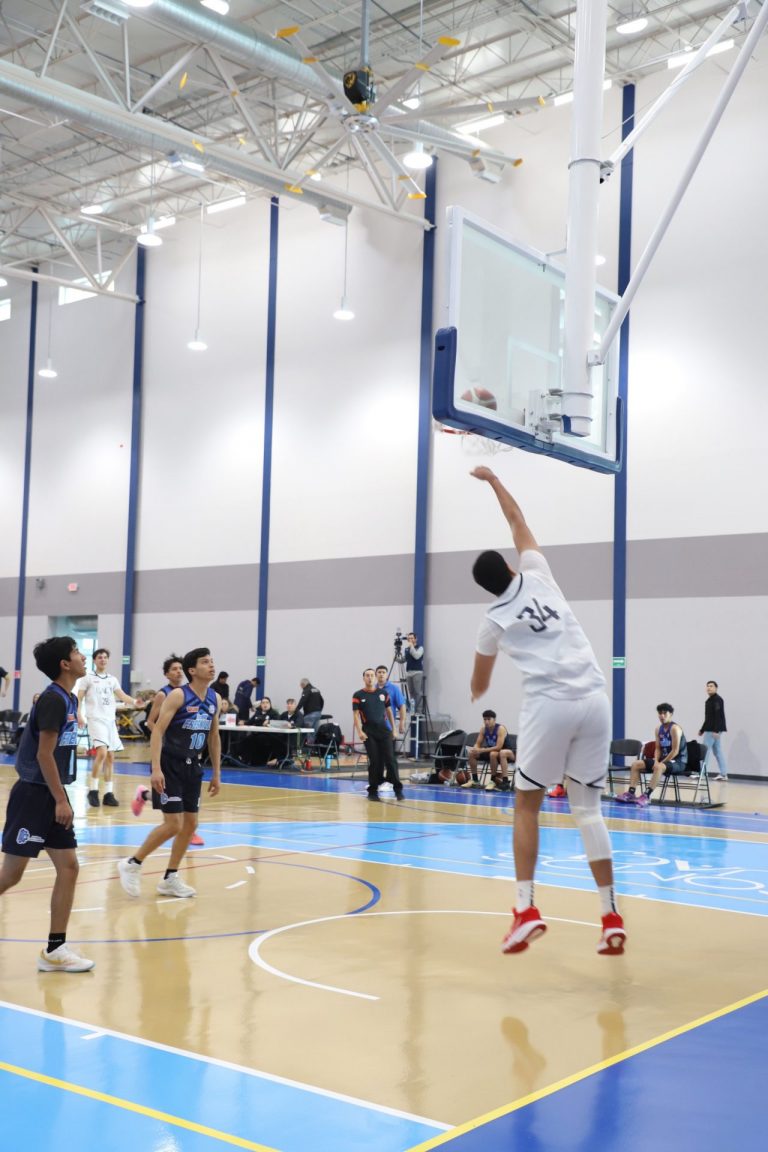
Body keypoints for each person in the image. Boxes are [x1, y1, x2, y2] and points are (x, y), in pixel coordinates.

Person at [470, 465, 625, 956]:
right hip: (595, 699)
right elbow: (517, 520)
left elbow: (480, 682)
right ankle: (611, 917)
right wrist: (495, 481)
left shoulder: (493, 618)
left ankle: (525, 910)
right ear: (510, 566)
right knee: (588, 811)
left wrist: (476, 688)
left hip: (551, 704)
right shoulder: (539, 573)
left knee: (525, 805)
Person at [0, 636, 95, 971]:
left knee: (69, 867)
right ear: (65, 664)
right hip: (34, 795)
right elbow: (43, 754)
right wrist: (60, 799)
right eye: (77, 652)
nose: (83, 656)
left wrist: (61, 797)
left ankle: (55, 950)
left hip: (53, 794)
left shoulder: (67, 698)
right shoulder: (53, 699)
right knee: (11, 875)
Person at [117, 647, 221, 899]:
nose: (211, 665)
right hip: (170, 764)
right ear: (192, 670)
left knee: (191, 824)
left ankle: (170, 878)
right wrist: (156, 769)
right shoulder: (178, 695)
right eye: (205, 662)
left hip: (193, 766)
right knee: (174, 824)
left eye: (212, 661)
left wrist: (217, 773)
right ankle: (132, 863)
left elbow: (214, 736)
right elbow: (157, 730)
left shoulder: (215, 699)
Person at [134, 655, 204, 845]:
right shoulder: (163, 694)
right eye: (174, 669)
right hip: (167, 753)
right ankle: (184, 830)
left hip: (185, 755)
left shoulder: (189, 694)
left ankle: (144, 795)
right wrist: (164, 737)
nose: (178, 671)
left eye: (180, 668)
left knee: (183, 796)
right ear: (166, 674)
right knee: (168, 798)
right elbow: (150, 722)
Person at [77, 647, 139, 808]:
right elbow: (79, 698)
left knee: (111, 757)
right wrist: (79, 714)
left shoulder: (112, 679)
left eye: (105, 657)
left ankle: (108, 794)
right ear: (94, 660)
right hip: (95, 719)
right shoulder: (87, 678)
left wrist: (135, 701)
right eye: (99, 657)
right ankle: (93, 790)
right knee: (102, 753)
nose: (103, 659)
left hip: (110, 721)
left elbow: (122, 695)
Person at [617, 704, 687, 806]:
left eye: (665, 713)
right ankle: (631, 793)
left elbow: (675, 751)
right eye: (660, 713)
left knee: (658, 767)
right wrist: (656, 761)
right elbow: (658, 748)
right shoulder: (658, 729)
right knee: (636, 764)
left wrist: (660, 763)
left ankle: (646, 796)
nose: (662, 716)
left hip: (678, 761)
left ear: (671, 714)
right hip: (663, 760)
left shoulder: (675, 729)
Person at [352, 668, 404, 802]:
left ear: (374, 678)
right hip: (369, 732)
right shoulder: (358, 695)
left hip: (384, 731)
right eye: (367, 675)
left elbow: (389, 712)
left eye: (371, 675)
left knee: (391, 760)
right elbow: (356, 716)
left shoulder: (383, 693)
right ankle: (373, 791)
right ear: (363, 678)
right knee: (375, 761)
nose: (370, 678)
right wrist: (360, 732)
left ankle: (398, 790)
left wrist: (394, 729)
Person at [462, 709, 514, 791]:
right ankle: (475, 780)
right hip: (491, 751)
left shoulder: (500, 728)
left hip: (505, 751)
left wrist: (482, 750)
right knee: (472, 753)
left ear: (494, 720)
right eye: (485, 719)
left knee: (493, 754)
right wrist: (475, 748)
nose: (486, 721)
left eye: (489, 719)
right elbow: (478, 743)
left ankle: (493, 780)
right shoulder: (483, 729)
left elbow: (498, 747)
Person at [699, 680, 728, 781]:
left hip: (713, 729)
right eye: (707, 686)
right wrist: (702, 729)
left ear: (716, 688)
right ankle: (723, 774)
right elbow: (708, 718)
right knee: (717, 751)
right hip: (711, 728)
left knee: (705, 750)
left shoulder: (717, 700)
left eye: (711, 686)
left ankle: (702, 773)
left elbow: (718, 715)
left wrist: (716, 730)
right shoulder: (709, 700)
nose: (709, 688)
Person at [374, 666, 408, 738]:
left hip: (388, 727)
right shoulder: (372, 689)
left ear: (387, 675)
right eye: (379, 672)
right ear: (376, 675)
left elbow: (402, 706)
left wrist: (402, 722)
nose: (381, 674)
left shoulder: (394, 688)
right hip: (373, 728)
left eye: (383, 672)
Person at [403, 633, 425, 709]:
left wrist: (411, 647)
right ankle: (413, 709)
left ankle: (419, 710)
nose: (410, 640)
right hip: (409, 672)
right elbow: (404, 659)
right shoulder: (407, 649)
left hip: (417, 672)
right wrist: (397, 658)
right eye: (409, 638)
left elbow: (416, 656)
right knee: (411, 692)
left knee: (418, 692)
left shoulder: (420, 648)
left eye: (412, 638)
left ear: (416, 639)